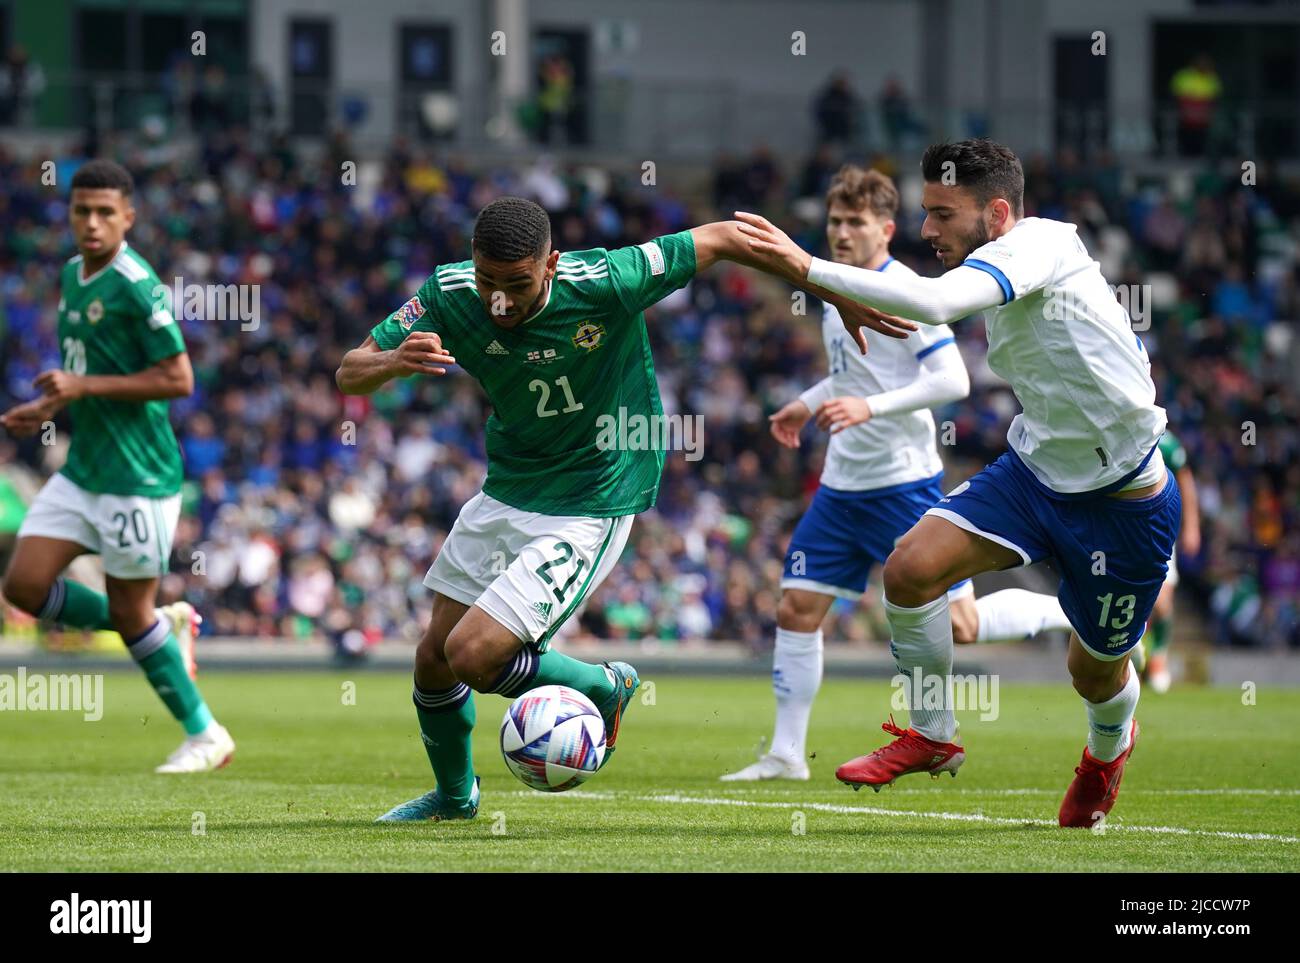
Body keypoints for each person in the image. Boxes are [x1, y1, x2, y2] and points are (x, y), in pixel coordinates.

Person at [337, 195, 912, 822]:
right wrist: (393, 362)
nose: (499, 299)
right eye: (488, 282)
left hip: (594, 492)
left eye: (517, 283)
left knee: (474, 655)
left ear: (552, 265)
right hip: (509, 484)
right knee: (432, 658)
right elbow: (349, 371)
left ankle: (603, 687)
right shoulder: (448, 294)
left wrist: (827, 287)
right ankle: (454, 799)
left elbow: (723, 236)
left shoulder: (609, 279)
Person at [736, 139, 1180, 827]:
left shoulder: (1043, 247)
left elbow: (936, 307)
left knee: (1092, 673)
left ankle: (1106, 751)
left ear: (997, 213)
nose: (926, 229)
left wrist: (804, 266)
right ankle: (934, 732)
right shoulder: (994, 258)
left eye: (942, 213)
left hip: (1124, 499)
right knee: (910, 569)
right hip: (1035, 474)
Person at [721, 166, 1072, 782]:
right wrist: (811, 399)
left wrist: (867, 408)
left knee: (959, 626)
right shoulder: (841, 293)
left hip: (903, 485)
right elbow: (856, 377)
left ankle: (1067, 610)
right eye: (833, 221)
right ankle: (785, 753)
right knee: (797, 610)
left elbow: (950, 381)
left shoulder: (903, 290)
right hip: (840, 487)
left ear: (885, 228)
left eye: (854, 222)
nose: (840, 233)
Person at [0, 159, 229, 772]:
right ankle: (160, 627)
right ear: (69, 215)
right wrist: (47, 405)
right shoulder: (72, 275)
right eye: (82, 211)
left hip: (137, 476)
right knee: (21, 584)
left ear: (128, 217)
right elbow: (81, 372)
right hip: (83, 470)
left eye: (106, 212)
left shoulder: (137, 284)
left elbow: (179, 379)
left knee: (130, 614)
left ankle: (206, 734)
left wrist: (80, 386)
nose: (93, 223)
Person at [1131, 429, 1200, 693]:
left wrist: (1192, 526)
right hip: (1122, 531)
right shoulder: (1116, 432)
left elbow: (1185, 477)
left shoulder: (1165, 440)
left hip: (1159, 531)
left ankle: (1158, 656)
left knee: (1160, 603)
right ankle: (1132, 658)